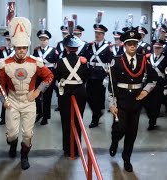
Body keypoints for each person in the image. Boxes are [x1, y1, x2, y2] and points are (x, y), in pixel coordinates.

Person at [0, 17, 54, 170]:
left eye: (24, 48)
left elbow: (49, 76)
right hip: (13, 101)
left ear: (27, 47)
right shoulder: (5, 64)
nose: (21, 51)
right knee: (12, 134)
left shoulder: (36, 62)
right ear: (14, 47)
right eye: (18, 48)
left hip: (29, 101)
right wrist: (3, 100)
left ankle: (24, 156)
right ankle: (12, 144)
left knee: (28, 134)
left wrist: (37, 91)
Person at [108, 27, 158, 172]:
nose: (132, 46)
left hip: (136, 100)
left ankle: (126, 158)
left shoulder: (143, 60)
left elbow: (154, 78)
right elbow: (111, 85)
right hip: (121, 99)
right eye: (129, 43)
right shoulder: (117, 61)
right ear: (124, 45)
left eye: (135, 44)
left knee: (132, 132)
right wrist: (112, 103)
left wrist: (145, 91)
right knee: (120, 128)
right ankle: (115, 141)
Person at [56, 24, 88, 157]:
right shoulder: (83, 61)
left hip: (66, 93)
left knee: (66, 121)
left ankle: (67, 148)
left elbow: (57, 77)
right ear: (76, 48)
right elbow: (86, 77)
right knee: (78, 120)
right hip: (80, 91)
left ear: (67, 48)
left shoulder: (60, 61)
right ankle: (77, 147)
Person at [85, 14, 112, 128]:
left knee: (98, 98)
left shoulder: (108, 46)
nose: (97, 35)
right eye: (96, 33)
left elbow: (110, 63)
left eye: (100, 33)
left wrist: (107, 78)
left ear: (103, 34)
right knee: (89, 97)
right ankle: (98, 112)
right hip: (90, 74)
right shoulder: (90, 46)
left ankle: (95, 118)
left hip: (101, 76)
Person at [33, 22, 58, 125]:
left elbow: (57, 65)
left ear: (48, 40)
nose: (43, 42)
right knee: (37, 96)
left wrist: (55, 78)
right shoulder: (36, 50)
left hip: (49, 76)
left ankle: (46, 117)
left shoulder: (53, 51)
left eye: (45, 40)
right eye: (41, 40)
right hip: (38, 76)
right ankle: (39, 113)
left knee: (47, 97)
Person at [143, 39, 167, 130]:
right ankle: (150, 116)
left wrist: (166, 86)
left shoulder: (165, 59)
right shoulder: (148, 57)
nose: (156, 50)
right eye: (155, 48)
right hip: (148, 83)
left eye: (158, 48)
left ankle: (152, 121)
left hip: (159, 84)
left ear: (162, 49)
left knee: (156, 103)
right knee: (145, 102)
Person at [0, 31, 14, 125]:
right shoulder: (1, 51)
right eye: (7, 40)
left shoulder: (17, 52)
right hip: (3, 79)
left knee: (13, 98)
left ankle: (13, 116)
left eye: (10, 40)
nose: (9, 42)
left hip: (14, 79)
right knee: (4, 97)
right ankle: (3, 117)